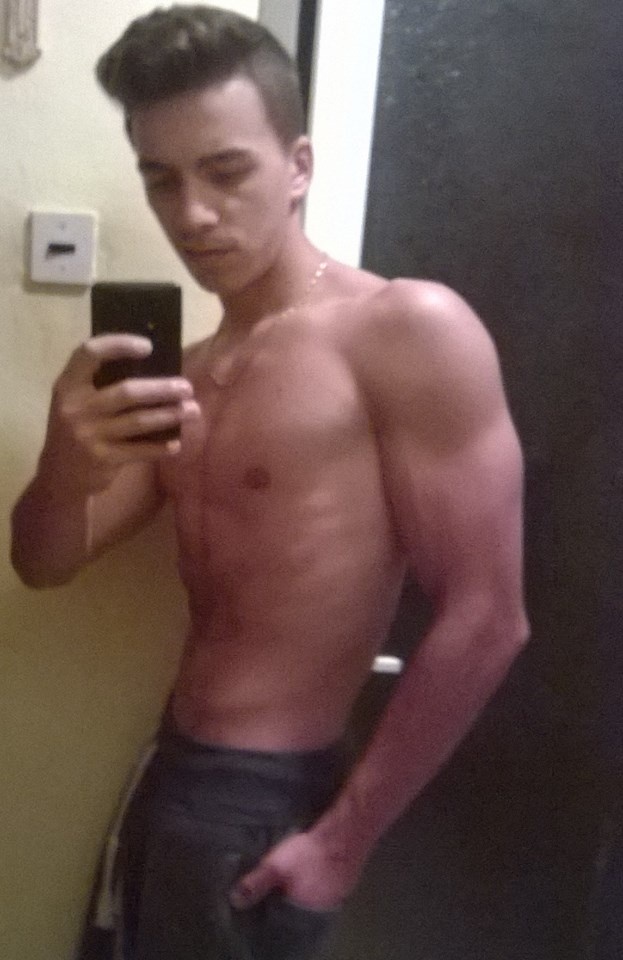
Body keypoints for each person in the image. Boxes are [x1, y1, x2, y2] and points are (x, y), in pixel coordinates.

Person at [10, 5, 529, 959]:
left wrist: (342, 842)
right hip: (168, 772)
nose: (191, 215)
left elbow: (489, 615)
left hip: (269, 796)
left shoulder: (404, 331)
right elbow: (44, 565)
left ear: (297, 166)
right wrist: (65, 461)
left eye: (225, 171)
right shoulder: (188, 372)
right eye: (161, 179)